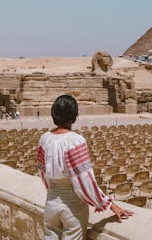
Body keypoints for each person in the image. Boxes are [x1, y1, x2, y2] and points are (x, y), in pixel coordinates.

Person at [37, 95, 133, 239]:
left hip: (51, 203)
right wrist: (110, 205)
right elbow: (84, 181)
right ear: (74, 115)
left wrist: (53, 192)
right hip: (72, 207)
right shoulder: (76, 140)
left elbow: (43, 173)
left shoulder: (44, 139)